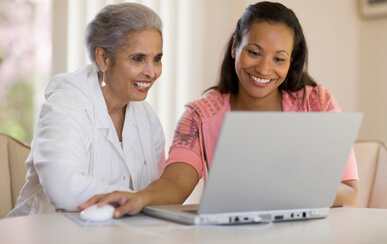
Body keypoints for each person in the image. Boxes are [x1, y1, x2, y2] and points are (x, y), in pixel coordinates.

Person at [78, 1, 359, 218]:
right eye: (254, 52)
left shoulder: (317, 104)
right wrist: (139, 198)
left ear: (291, 61)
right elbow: (175, 184)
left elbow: (349, 194)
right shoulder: (200, 115)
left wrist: (286, 186)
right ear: (236, 47)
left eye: (279, 58)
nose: (263, 69)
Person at [7, 3, 165, 217]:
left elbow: (155, 196)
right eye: (138, 59)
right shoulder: (65, 105)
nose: (152, 72)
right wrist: (138, 199)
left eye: (157, 59)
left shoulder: (148, 119)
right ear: (103, 59)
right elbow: (64, 188)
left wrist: (145, 199)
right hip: (44, 234)